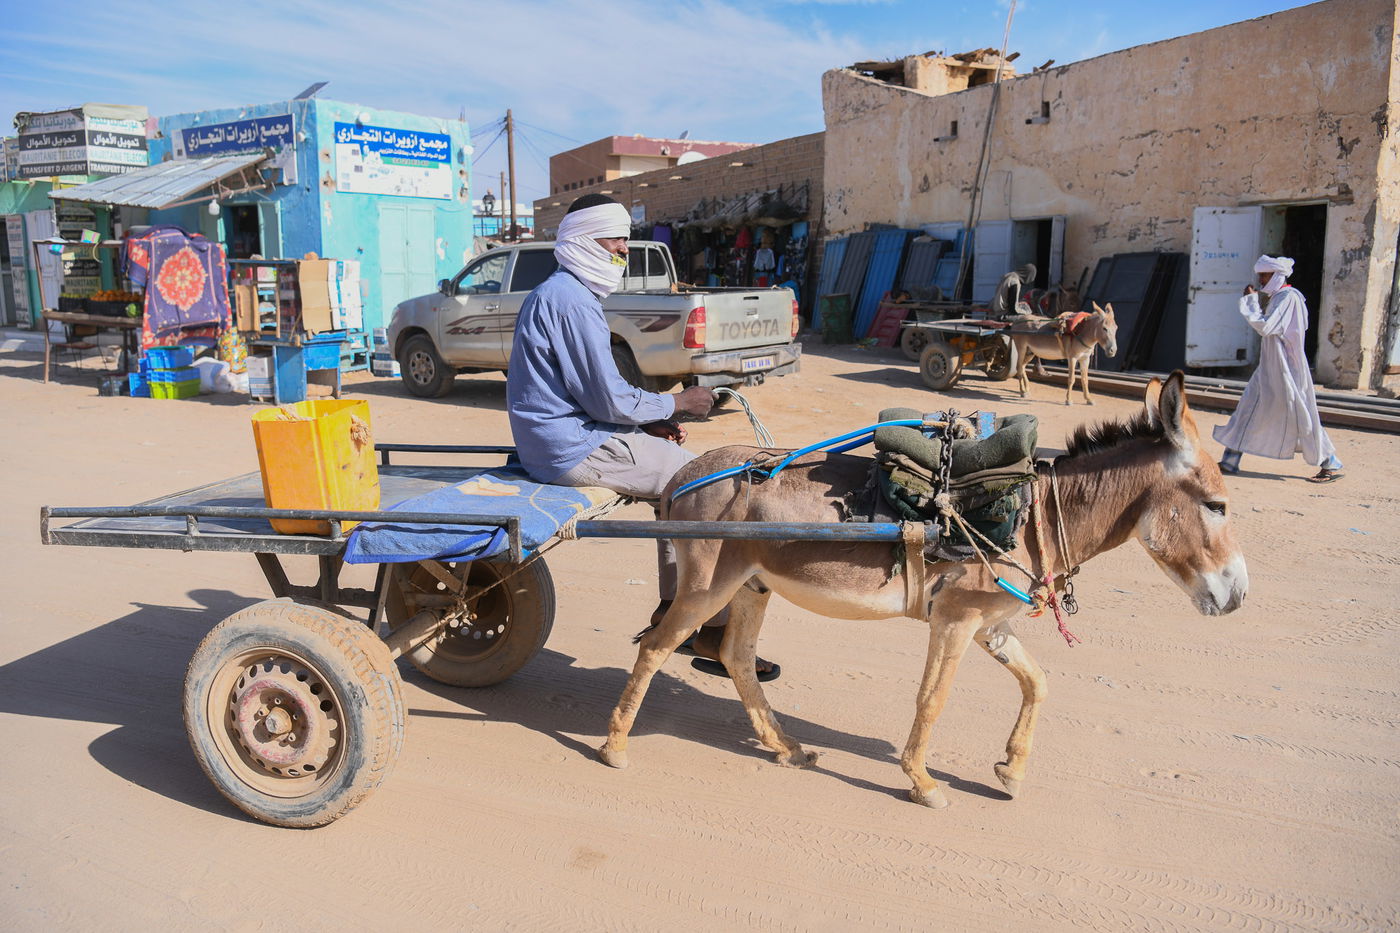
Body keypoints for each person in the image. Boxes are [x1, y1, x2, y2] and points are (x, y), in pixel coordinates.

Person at [506, 193, 779, 680]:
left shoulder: (567, 293)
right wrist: (678, 402)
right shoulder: (570, 299)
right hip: (572, 445)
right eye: (615, 239)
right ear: (585, 239)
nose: (623, 250)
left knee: (685, 480)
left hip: (570, 434)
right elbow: (607, 398)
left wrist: (644, 422)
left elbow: (593, 395)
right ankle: (713, 630)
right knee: (705, 484)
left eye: (625, 240)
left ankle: (675, 610)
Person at [1214, 255, 1343, 483]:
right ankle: (1230, 461)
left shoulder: (1289, 298)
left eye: (1265, 275)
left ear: (1277, 275)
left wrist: (1251, 301)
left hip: (1287, 369)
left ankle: (1330, 463)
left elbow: (1266, 327)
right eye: (1261, 275)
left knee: (1301, 415)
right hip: (1270, 366)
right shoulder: (1279, 298)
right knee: (1247, 409)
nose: (1261, 280)